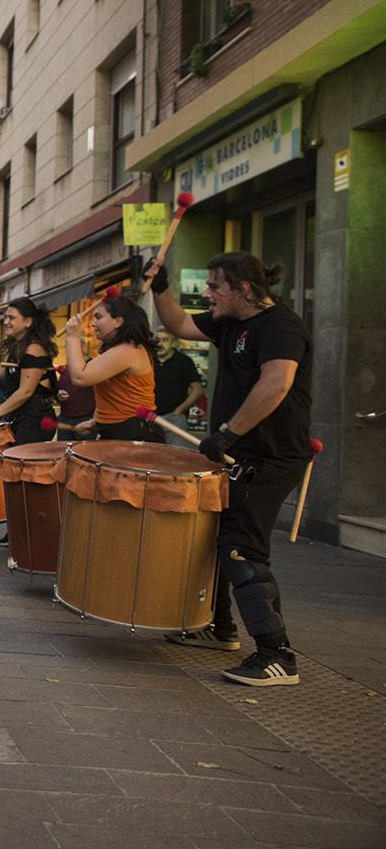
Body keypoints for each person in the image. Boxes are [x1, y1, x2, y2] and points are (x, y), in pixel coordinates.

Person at [152, 253, 311, 686]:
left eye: (215, 286)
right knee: (219, 540)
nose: (207, 294)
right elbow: (179, 325)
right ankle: (219, 628)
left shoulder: (280, 325)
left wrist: (226, 434)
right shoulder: (229, 323)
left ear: (243, 289)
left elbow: (275, 383)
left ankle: (277, 655)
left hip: (270, 455)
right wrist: (158, 285)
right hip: (238, 455)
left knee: (243, 547)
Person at [62, 294, 160, 441]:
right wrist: (97, 420)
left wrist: (73, 336)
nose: (93, 324)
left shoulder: (128, 350)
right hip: (121, 429)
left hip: (133, 431)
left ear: (118, 321)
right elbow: (116, 395)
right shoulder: (121, 349)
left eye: (99, 317)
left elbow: (80, 377)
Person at [0, 298, 58, 444]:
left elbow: (26, 391)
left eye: (11, 318)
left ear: (28, 322)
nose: (6, 322)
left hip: (35, 420)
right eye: (5, 317)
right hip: (21, 417)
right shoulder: (19, 347)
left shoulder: (34, 349)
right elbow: (13, 376)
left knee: (16, 464)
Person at [154, 329, 206, 446]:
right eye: (157, 340)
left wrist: (179, 411)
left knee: (175, 457)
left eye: (165, 340)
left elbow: (197, 390)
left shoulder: (184, 362)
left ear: (173, 343)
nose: (160, 343)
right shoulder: (149, 360)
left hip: (174, 418)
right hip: (150, 417)